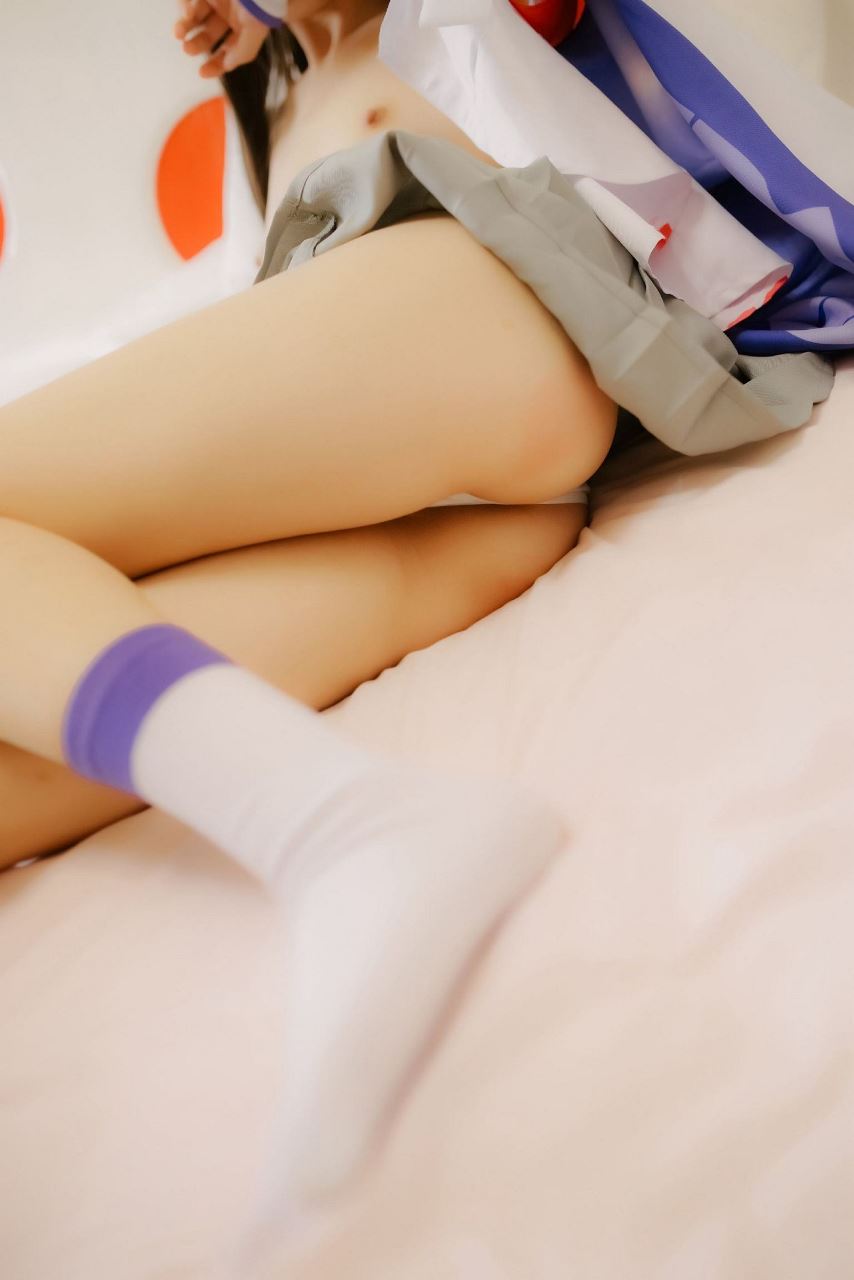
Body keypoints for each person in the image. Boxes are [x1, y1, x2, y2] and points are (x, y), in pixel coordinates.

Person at [0, 0, 618, 1209]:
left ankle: (338, 829)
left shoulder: (450, 23)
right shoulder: (281, 100)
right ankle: (352, 826)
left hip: (478, 326)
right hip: (467, 513)